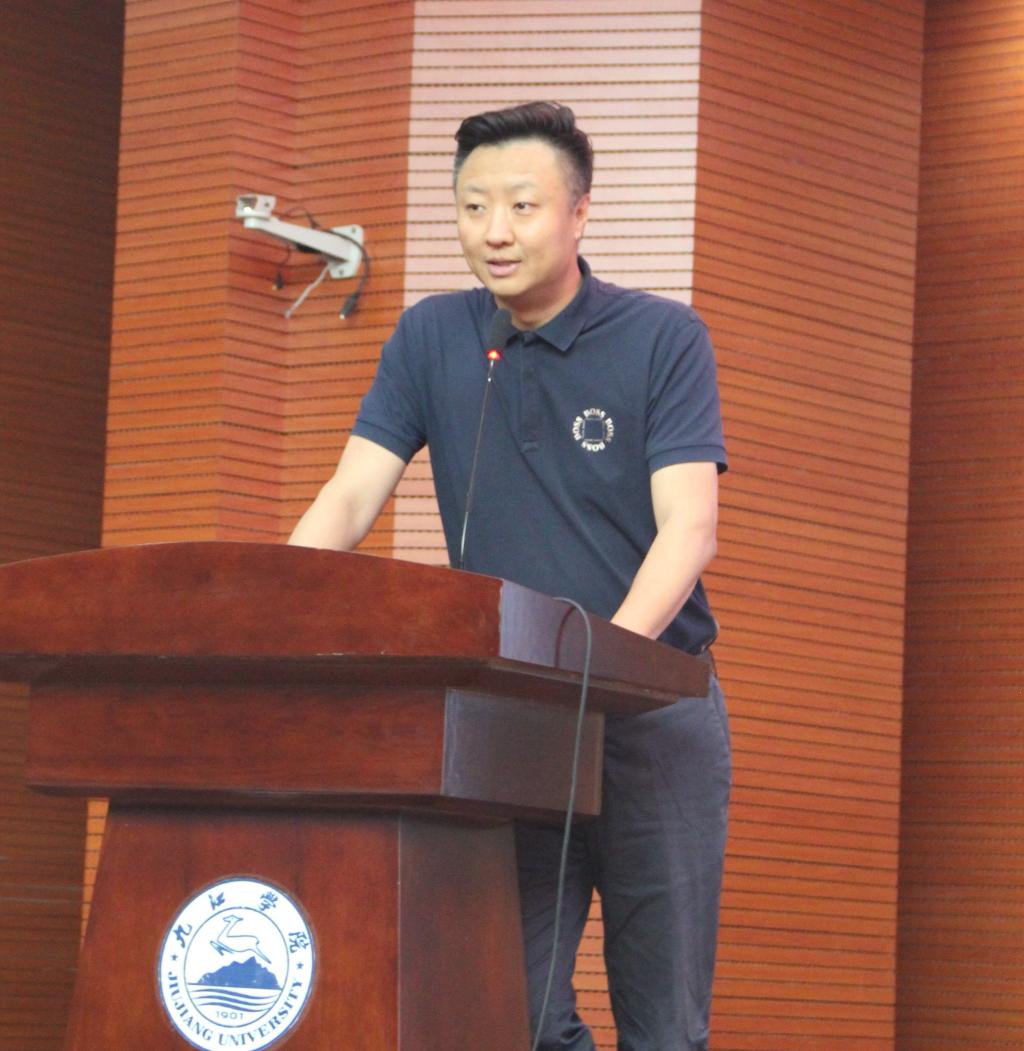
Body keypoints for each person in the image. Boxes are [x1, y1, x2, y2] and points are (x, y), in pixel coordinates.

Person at [289, 101, 731, 1051]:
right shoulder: (432, 337)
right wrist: (270, 611)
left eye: (522, 206)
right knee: (509, 1009)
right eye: (472, 206)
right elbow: (349, 495)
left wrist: (603, 667)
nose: (494, 230)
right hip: (515, 722)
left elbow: (689, 529)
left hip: (653, 717)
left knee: (664, 1027)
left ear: (579, 212)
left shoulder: (663, 338)